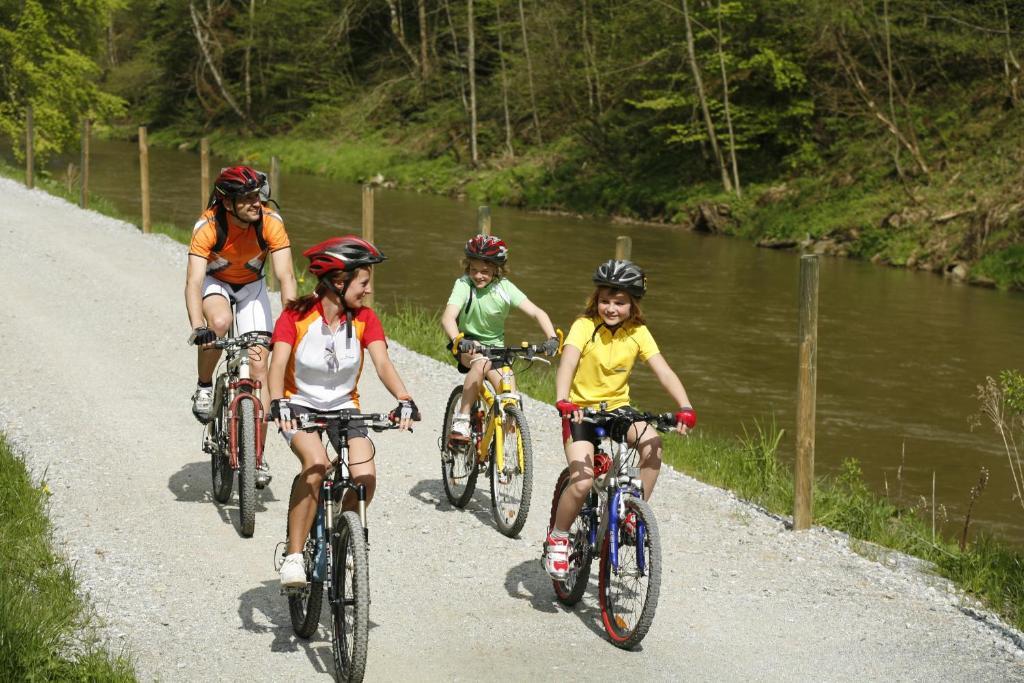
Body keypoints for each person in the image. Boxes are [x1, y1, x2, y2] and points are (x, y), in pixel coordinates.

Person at [269, 236, 419, 588]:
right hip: (298, 403)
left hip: (344, 406)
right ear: (339, 282)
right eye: (363, 283)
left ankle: (344, 536)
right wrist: (278, 402)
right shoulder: (296, 316)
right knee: (317, 463)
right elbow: (277, 366)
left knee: (365, 475)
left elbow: (382, 363)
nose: (367, 291)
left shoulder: (366, 319)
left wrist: (404, 398)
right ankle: (293, 556)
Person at [542, 259, 696, 579]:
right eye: (605, 300)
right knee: (582, 481)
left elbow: (663, 371)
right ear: (595, 299)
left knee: (652, 441)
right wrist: (564, 400)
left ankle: (633, 514)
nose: (611, 308)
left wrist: (684, 405)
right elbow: (567, 363)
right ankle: (558, 537)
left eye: (620, 302)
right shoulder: (584, 325)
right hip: (580, 410)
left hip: (617, 409)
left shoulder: (638, 332)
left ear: (632, 304)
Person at [186, 166, 297, 486]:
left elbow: (287, 277)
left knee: (260, 368)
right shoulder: (207, 225)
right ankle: (205, 386)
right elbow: (193, 282)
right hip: (215, 283)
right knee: (219, 322)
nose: (255, 203)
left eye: (257, 196)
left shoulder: (270, 222)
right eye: (245, 198)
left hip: (252, 287)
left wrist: (290, 324)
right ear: (227, 203)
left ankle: (256, 456)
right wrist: (197, 325)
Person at [440, 234, 558, 444]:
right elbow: (448, 317)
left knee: (509, 394)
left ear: (496, 269)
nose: (478, 276)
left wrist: (551, 338)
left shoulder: (504, 288)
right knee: (480, 362)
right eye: (473, 270)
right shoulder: (463, 284)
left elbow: (538, 313)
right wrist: (458, 338)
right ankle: (462, 418)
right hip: (467, 343)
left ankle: (499, 460)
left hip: (495, 348)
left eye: (485, 271)